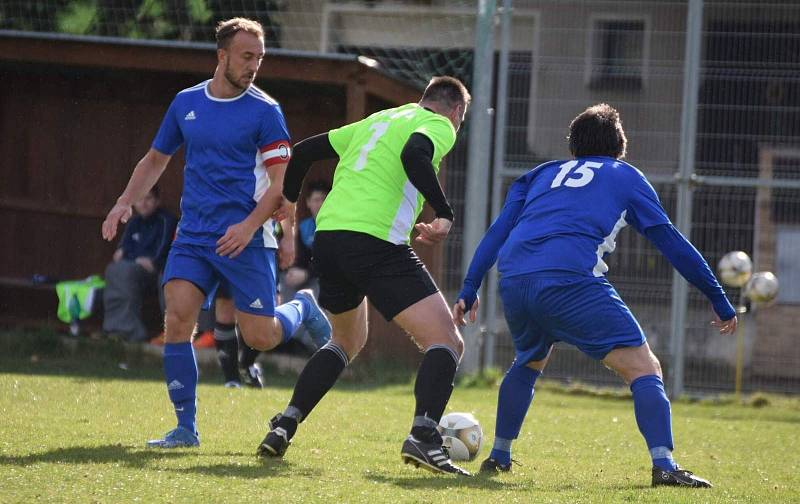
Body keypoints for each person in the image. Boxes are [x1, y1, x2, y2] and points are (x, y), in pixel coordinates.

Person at [453, 104, 738, 487]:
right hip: (571, 280)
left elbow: (498, 232)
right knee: (645, 368)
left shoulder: (538, 175)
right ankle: (665, 466)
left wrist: (470, 286)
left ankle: (499, 455)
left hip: (514, 279)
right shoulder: (624, 176)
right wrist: (717, 297)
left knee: (530, 359)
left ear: (573, 146)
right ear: (620, 144)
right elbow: (671, 242)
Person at [101, 17, 331, 449]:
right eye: (247, 57)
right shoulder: (186, 103)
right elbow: (155, 159)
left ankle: (302, 308)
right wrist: (123, 201)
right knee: (178, 317)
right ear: (221, 55)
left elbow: (282, 186)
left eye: (259, 58)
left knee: (259, 335)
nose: (254, 66)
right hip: (194, 235)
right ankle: (186, 428)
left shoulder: (266, 112)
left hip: (247, 237)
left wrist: (250, 228)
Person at [257, 76, 472, 476]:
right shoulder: (440, 124)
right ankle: (424, 438)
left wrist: (287, 201)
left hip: (330, 238)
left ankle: (286, 423)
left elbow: (302, 153)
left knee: (346, 340)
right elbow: (415, 154)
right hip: (374, 242)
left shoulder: (378, 120)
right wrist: (443, 212)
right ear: (457, 111)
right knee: (446, 341)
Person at [214, 221, 296, 388]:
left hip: (262, 246)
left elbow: (285, 203)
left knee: (269, 318)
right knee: (225, 309)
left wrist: (288, 237)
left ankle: (246, 363)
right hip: (226, 240)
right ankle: (231, 380)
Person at [103, 185, 176, 342]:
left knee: (126, 270)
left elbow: (160, 255)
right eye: (140, 199)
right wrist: (136, 258)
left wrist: (141, 259)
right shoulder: (134, 222)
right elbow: (120, 253)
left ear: (157, 201)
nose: (143, 204)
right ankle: (121, 330)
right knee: (115, 270)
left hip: (157, 272)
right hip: (134, 269)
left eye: (148, 199)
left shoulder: (165, 220)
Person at [281, 181, 330, 298]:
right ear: (308, 203)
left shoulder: (335, 226)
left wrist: (307, 274)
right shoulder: (304, 227)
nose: (320, 204)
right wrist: (295, 271)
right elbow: (301, 257)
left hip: (323, 277)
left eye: (324, 199)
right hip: (308, 275)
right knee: (285, 280)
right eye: (316, 200)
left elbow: (330, 261)